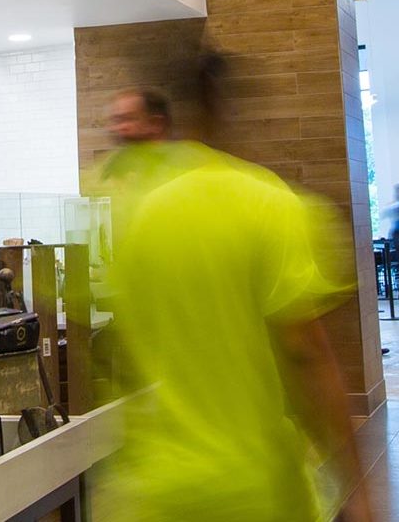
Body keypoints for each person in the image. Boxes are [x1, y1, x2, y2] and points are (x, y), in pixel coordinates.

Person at [94, 83, 371, 522]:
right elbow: (305, 355)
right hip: (253, 488)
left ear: (162, 125)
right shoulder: (267, 201)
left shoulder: (133, 221)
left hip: (151, 492)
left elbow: (123, 357)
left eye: (126, 120)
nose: (118, 131)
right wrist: (356, 489)